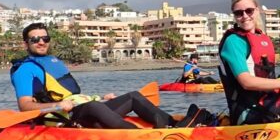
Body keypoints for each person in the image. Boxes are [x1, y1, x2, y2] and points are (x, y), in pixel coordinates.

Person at [11, 22, 174, 129]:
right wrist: (58, 105)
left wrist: (101, 98)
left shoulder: (52, 62)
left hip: (81, 110)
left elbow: (72, 96)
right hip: (64, 118)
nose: (41, 42)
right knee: (93, 107)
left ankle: (174, 125)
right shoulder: (24, 70)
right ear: (26, 43)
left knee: (133, 96)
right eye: (35, 39)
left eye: (45, 38)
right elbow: (24, 106)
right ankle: (140, 136)